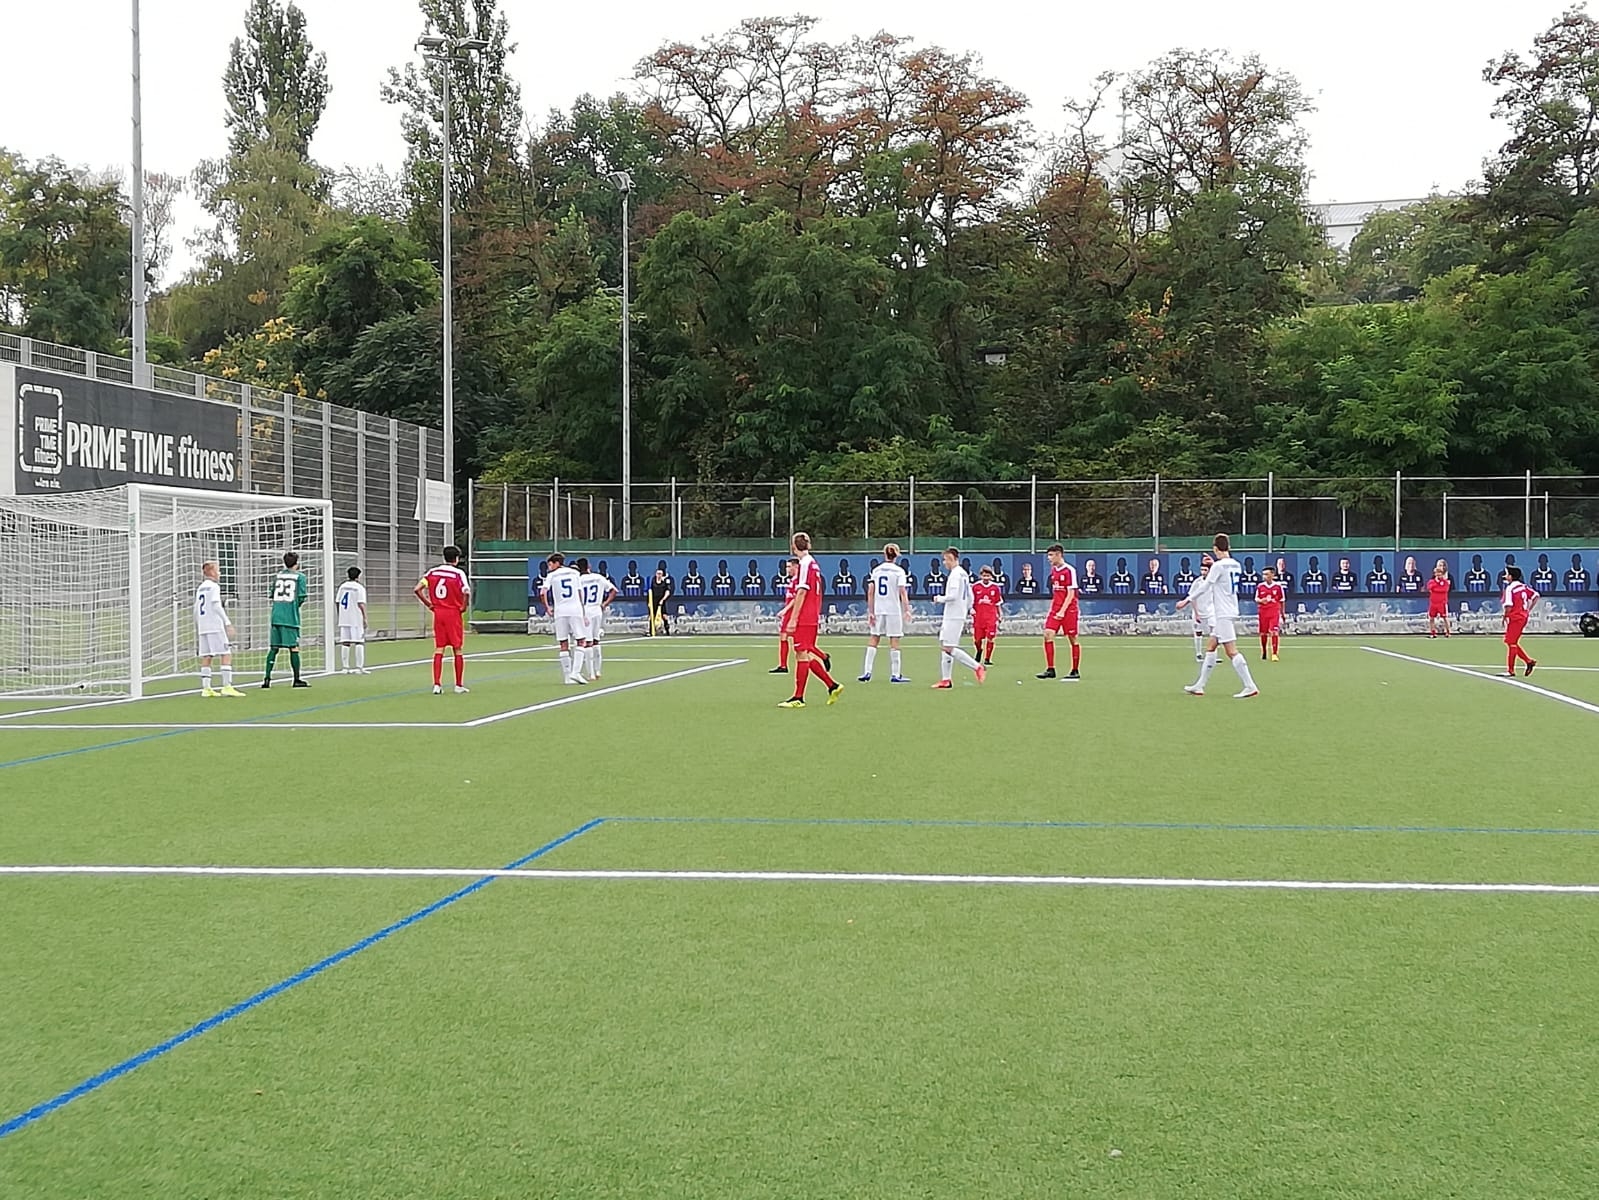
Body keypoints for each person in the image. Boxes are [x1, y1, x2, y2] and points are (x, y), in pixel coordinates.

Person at [1179, 533, 1260, 699]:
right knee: (1210, 647)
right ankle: (1200, 685)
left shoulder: (1218, 567)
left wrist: (1187, 600)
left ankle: (1250, 685)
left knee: (1231, 651)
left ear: (1216, 548)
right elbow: (1223, 574)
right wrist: (1214, 563)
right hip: (1229, 609)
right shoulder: (1236, 564)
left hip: (1222, 613)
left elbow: (1205, 586)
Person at [778, 532, 842, 708]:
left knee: (800, 654)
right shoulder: (813, 564)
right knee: (804, 653)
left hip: (805, 616)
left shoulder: (805, 564)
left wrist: (794, 618)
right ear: (809, 545)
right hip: (812, 614)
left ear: (793, 546)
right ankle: (832, 686)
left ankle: (799, 697)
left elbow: (802, 591)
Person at [415, 546, 471, 694]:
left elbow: (417, 589)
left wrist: (429, 604)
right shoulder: (458, 573)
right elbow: (466, 591)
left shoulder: (432, 572)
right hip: (453, 612)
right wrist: (463, 607)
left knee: (439, 647)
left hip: (438, 612)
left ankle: (437, 685)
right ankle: (458, 685)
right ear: (457, 558)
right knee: (457, 649)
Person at [931, 547, 985, 690]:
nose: (944, 563)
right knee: (945, 645)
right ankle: (946, 679)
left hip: (953, 615)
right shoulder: (963, 574)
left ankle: (977, 666)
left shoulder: (955, 575)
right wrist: (968, 608)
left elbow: (953, 595)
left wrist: (939, 598)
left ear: (952, 559)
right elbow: (970, 595)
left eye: (945, 560)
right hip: (956, 614)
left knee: (948, 647)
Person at [860, 543, 912, 683]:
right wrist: (907, 609)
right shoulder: (899, 571)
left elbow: (870, 592)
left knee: (874, 638)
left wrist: (870, 611)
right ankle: (895, 674)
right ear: (896, 555)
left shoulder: (876, 570)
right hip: (893, 610)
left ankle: (867, 672)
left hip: (878, 609)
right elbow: (902, 592)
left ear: (885, 554)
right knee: (894, 640)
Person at [194, 561, 244, 698]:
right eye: (218, 570)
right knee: (226, 653)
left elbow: (196, 608)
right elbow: (216, 605)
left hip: (203, 626)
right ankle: (227, 686)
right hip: (215, 625)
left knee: (207, 656)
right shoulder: (214, 587)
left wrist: (198, 623)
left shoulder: (201, 587)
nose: (220, 573)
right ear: (211, 572)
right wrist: (227, 623)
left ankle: (206, 688)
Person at [263, 551, 310, 689]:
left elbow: (271, 594)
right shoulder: (300, 577)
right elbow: (301, 596)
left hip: (276, 615)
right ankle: (296, 679)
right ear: (297, 562)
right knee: (293, 648)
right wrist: (294, 606)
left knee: (273, 648)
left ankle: (267, 679)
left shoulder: (278, 576)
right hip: (290, 617)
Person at [541, 552, 590, 685]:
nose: (549, 567)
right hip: (575, 610)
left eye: (550, 564)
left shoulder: (551, 575)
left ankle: (568, 677)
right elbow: (580, 593)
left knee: (563, 643)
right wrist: (583, 611)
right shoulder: (574, 573)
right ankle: (576, 672)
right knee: (581, 640)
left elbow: (543, 592)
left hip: (560, 611)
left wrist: (547, 607)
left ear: (557, 563)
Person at [1037, 543, 1081, 680]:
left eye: (1051, 555)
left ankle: (1075, 670)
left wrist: (1063, 610)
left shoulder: (1069, 570)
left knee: (1073, 639)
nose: (1048, 558)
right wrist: (1056, 608)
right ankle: (1050, 669)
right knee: (1047, 634)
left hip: (1069, 609)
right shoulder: (1054, 570)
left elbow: (1071, 593)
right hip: (1055, 608)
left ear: (1059, 555)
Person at [576, 557, 616, 680]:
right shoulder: (598, 577)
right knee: (596, 640)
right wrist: (604, 604)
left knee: (587, 642)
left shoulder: (578, 580)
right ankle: (598, 671)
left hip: (585, 610)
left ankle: (591, 673)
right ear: (589, 566)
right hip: (597, 609)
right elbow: (614, 590)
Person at [1502, 566, 1539, 677]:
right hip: (1522, 616)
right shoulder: (1523, 586)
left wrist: (1505, 615)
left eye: (1507, 574)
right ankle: (1528, 661)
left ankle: (1511, 670)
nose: (1505, 576)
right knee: (1510, 641)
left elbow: (1509, 605)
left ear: (1511, 577)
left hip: (1515, 617)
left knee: (1511, 643)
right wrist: (1528, 609)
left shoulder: (1510, 589)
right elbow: (1536, 595)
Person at [336, 566, 370, 674]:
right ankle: (359, 667)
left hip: (344, 617)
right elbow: (361, 604)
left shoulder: (342, 586)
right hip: (356, 618)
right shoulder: (359, 588)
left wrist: (340, 614)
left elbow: (337, 601)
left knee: (345, 642)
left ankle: (345, 668)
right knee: (359, 642)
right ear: (358, 576)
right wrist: (365, 618)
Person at [972, 565, 1003, 665]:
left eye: (988, 576)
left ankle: (987, 659)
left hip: (991, 617)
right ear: (981, 576)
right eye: (984, 576)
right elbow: (971, 602)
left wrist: (1000, 615)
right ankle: (979, 650)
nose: (986, 578)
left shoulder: (995, 588)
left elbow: (998, 603)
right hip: (979, 617)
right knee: (977, 639)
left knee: (991, 637)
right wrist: (971, 610)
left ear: (991, 577)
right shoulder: (975, 587)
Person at [770, 558, 796, 673]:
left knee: (801, 642)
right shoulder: (792, 580)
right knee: (783, 636)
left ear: (796, 567)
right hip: (789, 613)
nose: (787, 569)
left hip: (794, 613)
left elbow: (796, 599)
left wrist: (785, 610)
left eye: (789, 566)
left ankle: (823, 656)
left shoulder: (798, 581)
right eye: (786, 567)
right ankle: (783, 665)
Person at [1189, 552, 1215, 660]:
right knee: (1198, 632)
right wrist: (1196, 613)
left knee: (1214, 632)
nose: (1203, 572)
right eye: (1202, 570)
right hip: (1199, 611)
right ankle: (1198, 654)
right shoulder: (1197, 582)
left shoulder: (1213, 581)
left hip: (1210, 611)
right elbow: (1192, 597)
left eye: (1205, 570)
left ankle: (1213, 655)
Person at [1256, 566, 1286, 661]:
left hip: (1274, 612)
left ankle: (1274, 653)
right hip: (1263, 612)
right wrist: (1261, 600)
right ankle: (1264, 651)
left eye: (1267, 574)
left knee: (1274, 632)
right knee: (1263, 633)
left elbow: (1282, 600)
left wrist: (1283, 613)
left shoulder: (1278, 586)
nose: (1264, 576)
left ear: (1272, 575)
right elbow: (1256, 598)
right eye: (1263, 574)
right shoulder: (1260, 586)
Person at [1427, 562, 1452, 638]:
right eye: (1437, 573)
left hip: (1442, 603)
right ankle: (1433, 633)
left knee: (1445, 617)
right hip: (1433, 603)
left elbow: (1444, 589)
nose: (1438, 575)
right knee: (1431, 618)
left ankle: (1448, 632)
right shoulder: (1431, 582)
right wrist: (1436, 585)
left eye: (1440, 573)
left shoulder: (1445, 582)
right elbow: (1429, 588)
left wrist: (1436, 588)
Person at [647, 567, 674, 636]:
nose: (659, 575)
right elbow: (649, 592)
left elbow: (667, 592)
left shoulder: (664, 583)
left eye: (660, 574)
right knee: (652, 616)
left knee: (664, 616)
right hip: (653, 601)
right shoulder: (652, 581)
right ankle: (651, 631)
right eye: (658, 573)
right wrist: (649, 602)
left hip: (661, 600)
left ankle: (667, 631)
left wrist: (662, 600)